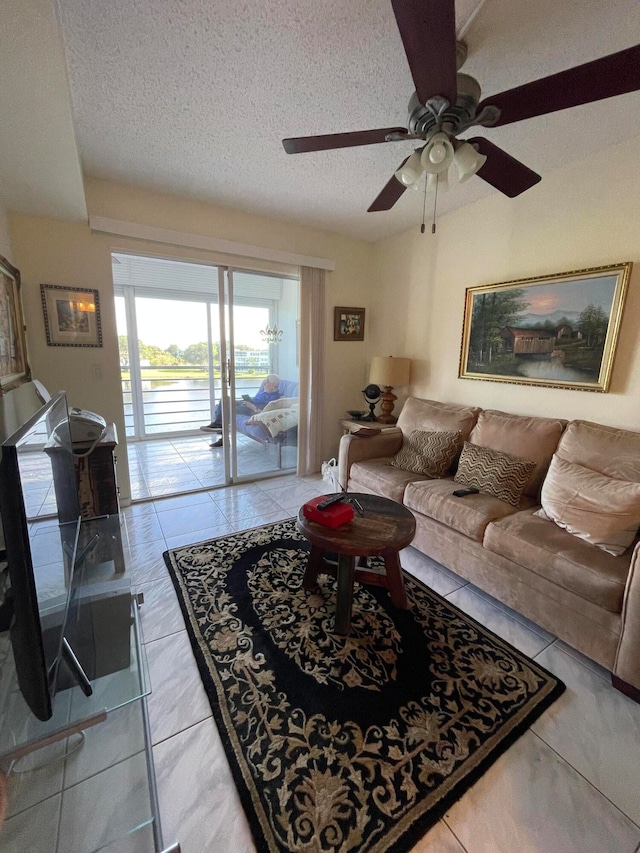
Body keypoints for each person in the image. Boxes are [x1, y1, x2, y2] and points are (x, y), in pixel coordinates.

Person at [200, 374, 281, 447]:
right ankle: (220, 429)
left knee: (225, 409)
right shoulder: (264, 392)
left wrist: (252, 407)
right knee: (225, 398)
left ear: (273, 385)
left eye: (267, 382)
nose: (264, 384)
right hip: (246, 405)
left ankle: (220, 432)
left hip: (250, 410)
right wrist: (247, 401)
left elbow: (265, 412)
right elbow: (255, 400)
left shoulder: (275, 398)